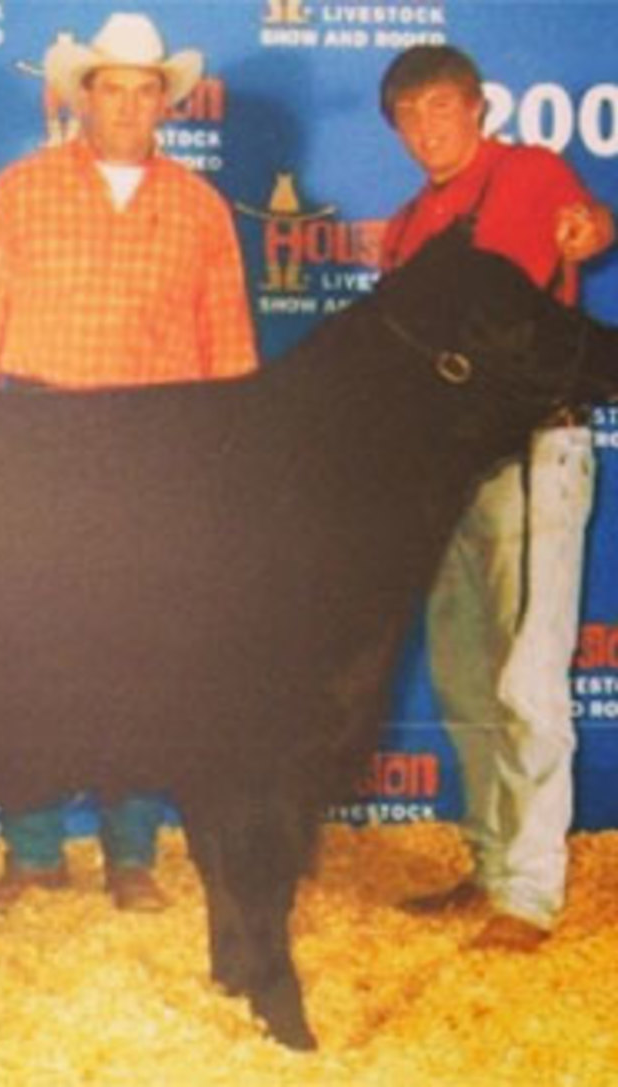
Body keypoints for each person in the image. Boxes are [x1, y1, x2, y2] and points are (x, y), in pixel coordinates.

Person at [0, 12, 257, 915]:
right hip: (37, 433)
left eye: (144, 89)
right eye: (110, 88)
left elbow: (229, 348)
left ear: (167, 101)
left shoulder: (202, 207)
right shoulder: (21, 188)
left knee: (145, 651)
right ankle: (34, 850)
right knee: (30, 645)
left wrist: (228, 470)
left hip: (160, 449)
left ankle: (132, 854)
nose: (127, 105)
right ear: (79, 96)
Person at [378, 45, 614, 951]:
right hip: (448, 469)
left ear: (478, 108)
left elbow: (579, 229)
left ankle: (530, 892)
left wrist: (598, 221)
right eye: (411, 116)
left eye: (443, 108)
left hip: (529, 450)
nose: (429, 127)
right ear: (399, 131)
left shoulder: (526, 172)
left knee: (527, 679)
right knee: (467, 676)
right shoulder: (405, 228)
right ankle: (488, 860)